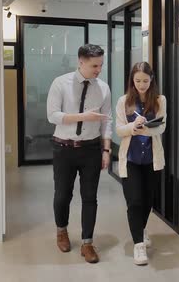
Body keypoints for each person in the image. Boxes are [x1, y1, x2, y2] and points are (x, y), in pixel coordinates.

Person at [46, 44, 112, 264]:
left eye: (101, 65)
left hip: (91, 149)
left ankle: (87, 243)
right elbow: (52, 115)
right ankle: (61, 230)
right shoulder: (60, 83)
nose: (98, 70)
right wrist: (81, 116)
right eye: (94, 65)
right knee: (63, 194)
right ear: (80, 62)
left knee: (90, 197)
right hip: (64, 148)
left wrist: (106, 149)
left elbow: (107, 121)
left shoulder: (103, 87)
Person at [115, 62, 166, 265]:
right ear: (132, 80)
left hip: (151, 160)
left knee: (147, 201)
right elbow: (119, 130)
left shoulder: (160, 100)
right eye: (137, 81)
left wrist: (146, 128)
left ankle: (140, 230)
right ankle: (139, 246)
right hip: (131, 160)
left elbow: (161, 128)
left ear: (151, 79)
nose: (141, 85)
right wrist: (132, 127)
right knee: (134, 201)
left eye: (145, 81)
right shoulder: (124, 101)